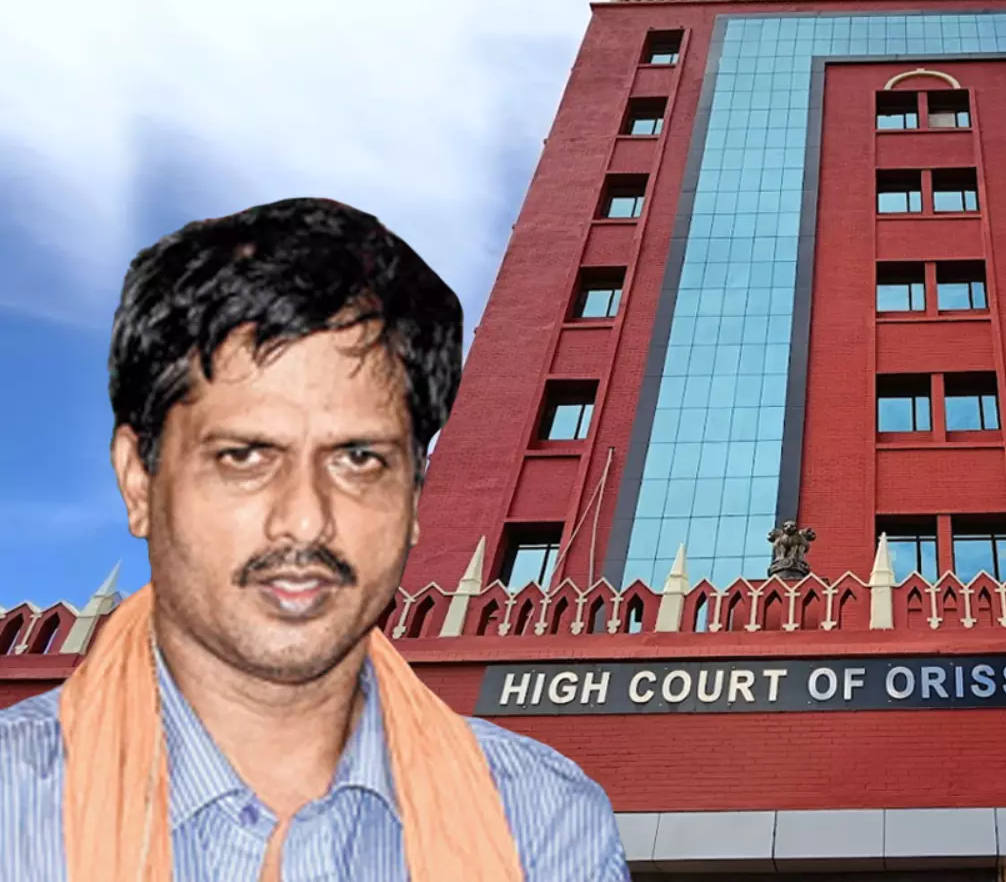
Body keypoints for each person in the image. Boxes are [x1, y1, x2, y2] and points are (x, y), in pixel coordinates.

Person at [0, 198, 630, 881]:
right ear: (138, 479)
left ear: (415, 495)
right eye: (245, 455)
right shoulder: (16, 800)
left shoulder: (544, 821)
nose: (305, 520)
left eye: (359, 458)